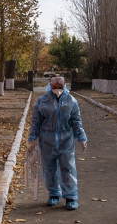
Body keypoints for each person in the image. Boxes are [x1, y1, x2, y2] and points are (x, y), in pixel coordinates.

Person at [28, 75, 87, 210]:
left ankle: (71, 197)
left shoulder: (71, 101)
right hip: (47, 139)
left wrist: (81, 138)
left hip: (66, 139)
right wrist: (32, 139)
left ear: (64, 86)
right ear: (50, 86)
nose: (58, 90)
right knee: (49, 168)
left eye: (60, 87)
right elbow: (36, 122)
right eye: (55, 87)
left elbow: (76, 121)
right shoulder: (42, 101)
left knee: (68, 167)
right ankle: (54, 193)